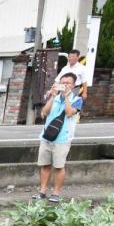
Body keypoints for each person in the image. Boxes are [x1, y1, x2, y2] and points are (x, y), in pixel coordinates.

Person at [34, 72, 83, 203]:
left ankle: (56, 193)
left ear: (73, 85)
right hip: (47, 136)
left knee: (59, 167)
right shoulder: (53, 97)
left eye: (68, 83)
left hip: (63, 139)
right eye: (62, 82)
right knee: (45, 165)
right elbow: (44, 113)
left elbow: (69, 113)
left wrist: (66, 97)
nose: (65, 85)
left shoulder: (77, 100)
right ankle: (42, 191)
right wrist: (52, 96)